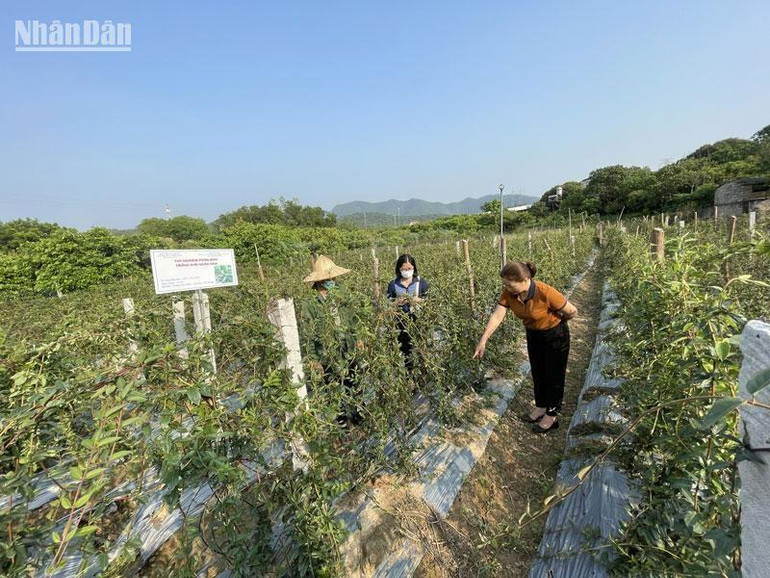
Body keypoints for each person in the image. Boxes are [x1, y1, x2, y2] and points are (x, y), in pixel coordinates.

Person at [472, 261, 577, 433]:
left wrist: (558, 321)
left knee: (554, 375)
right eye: (505, 285)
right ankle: (541, 407)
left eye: (510, 285)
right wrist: (483, 339)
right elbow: (497, 316)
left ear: (526, 279)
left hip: (555, 335)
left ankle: (552, 415)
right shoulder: (509, 293)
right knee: (538, 371)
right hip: (533, 334)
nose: (507, 288)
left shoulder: (545, 291)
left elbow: (572, 310)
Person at [300, 255, 363, 426]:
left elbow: (352, 319)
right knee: (333, 387)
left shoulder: (342, 294)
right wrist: (313, 359)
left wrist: (358, 338)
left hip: (348, 347)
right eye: (329, 278)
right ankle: (342, 422)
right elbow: (308, 334)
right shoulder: (310, 303)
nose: (332, 281)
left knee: (353, 381)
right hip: (327, 352)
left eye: (333, 278)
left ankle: (358, 415)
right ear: (320, 280)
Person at [387, 254, 429, 372]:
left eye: (409, 268)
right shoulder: (393, 284)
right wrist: (397, 302)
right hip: (401, 323)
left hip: (419, 322)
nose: (407, 271)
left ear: (414, 268)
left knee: (421, 349)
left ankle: (423, 372)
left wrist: (418, 300)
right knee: (406, 352)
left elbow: (430, 302)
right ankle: (410, 374)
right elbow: (387, 304)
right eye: (404, 269)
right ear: (399, 269)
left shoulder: (421, 283)